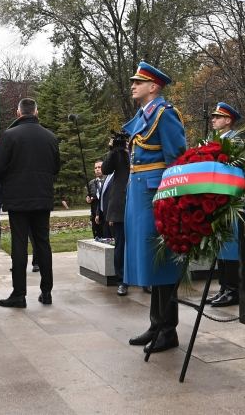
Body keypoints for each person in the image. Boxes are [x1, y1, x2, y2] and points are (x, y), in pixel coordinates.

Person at [123, 62, 187, 354]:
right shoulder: (144, 115)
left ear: (154, 87)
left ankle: (168, 329)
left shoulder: (165, 115)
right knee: (150, 261)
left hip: (157, 196)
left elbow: (177, 160)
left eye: (139, 82)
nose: (133, 85)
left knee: (161, 262)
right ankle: (155, 324)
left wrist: (173, 200)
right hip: (140, 195)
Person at [0, 98, 60, 308]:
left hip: (18, 198)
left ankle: (19, 294)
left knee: (19, 243)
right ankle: (46, 292)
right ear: (36, 112)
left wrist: (8, 181)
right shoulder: (50, 136)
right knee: (43, 243)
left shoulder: (10, 135)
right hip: (42, 196)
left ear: (18, 112)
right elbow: (56, 167)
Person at [207, 102, 242, 308]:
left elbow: (231, 165)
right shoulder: (216, 140)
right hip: (217, 197)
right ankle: (223, 287)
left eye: (218, 117)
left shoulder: (234, 140)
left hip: (229, 198)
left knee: (229, 245)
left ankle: (233, 289)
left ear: (228, 120)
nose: (213, 120)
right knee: (220, 245)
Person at [101, 130, 129, 295]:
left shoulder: (140, 152)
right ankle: (122, 280)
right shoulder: (118, 155)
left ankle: (145, 280)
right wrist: (114, 149)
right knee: (120, 245)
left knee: (141, 243)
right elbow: (105, 169)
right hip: (120, 206)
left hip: (139, 202)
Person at [86, 160, 105, 239]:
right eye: (95, 168)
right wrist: (88, 199)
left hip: (105, 215)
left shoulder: (109, 181)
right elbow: (88, 197)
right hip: (94, 216)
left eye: (99, 167)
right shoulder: (91, 183)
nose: (97, 169)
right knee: (97, 239)